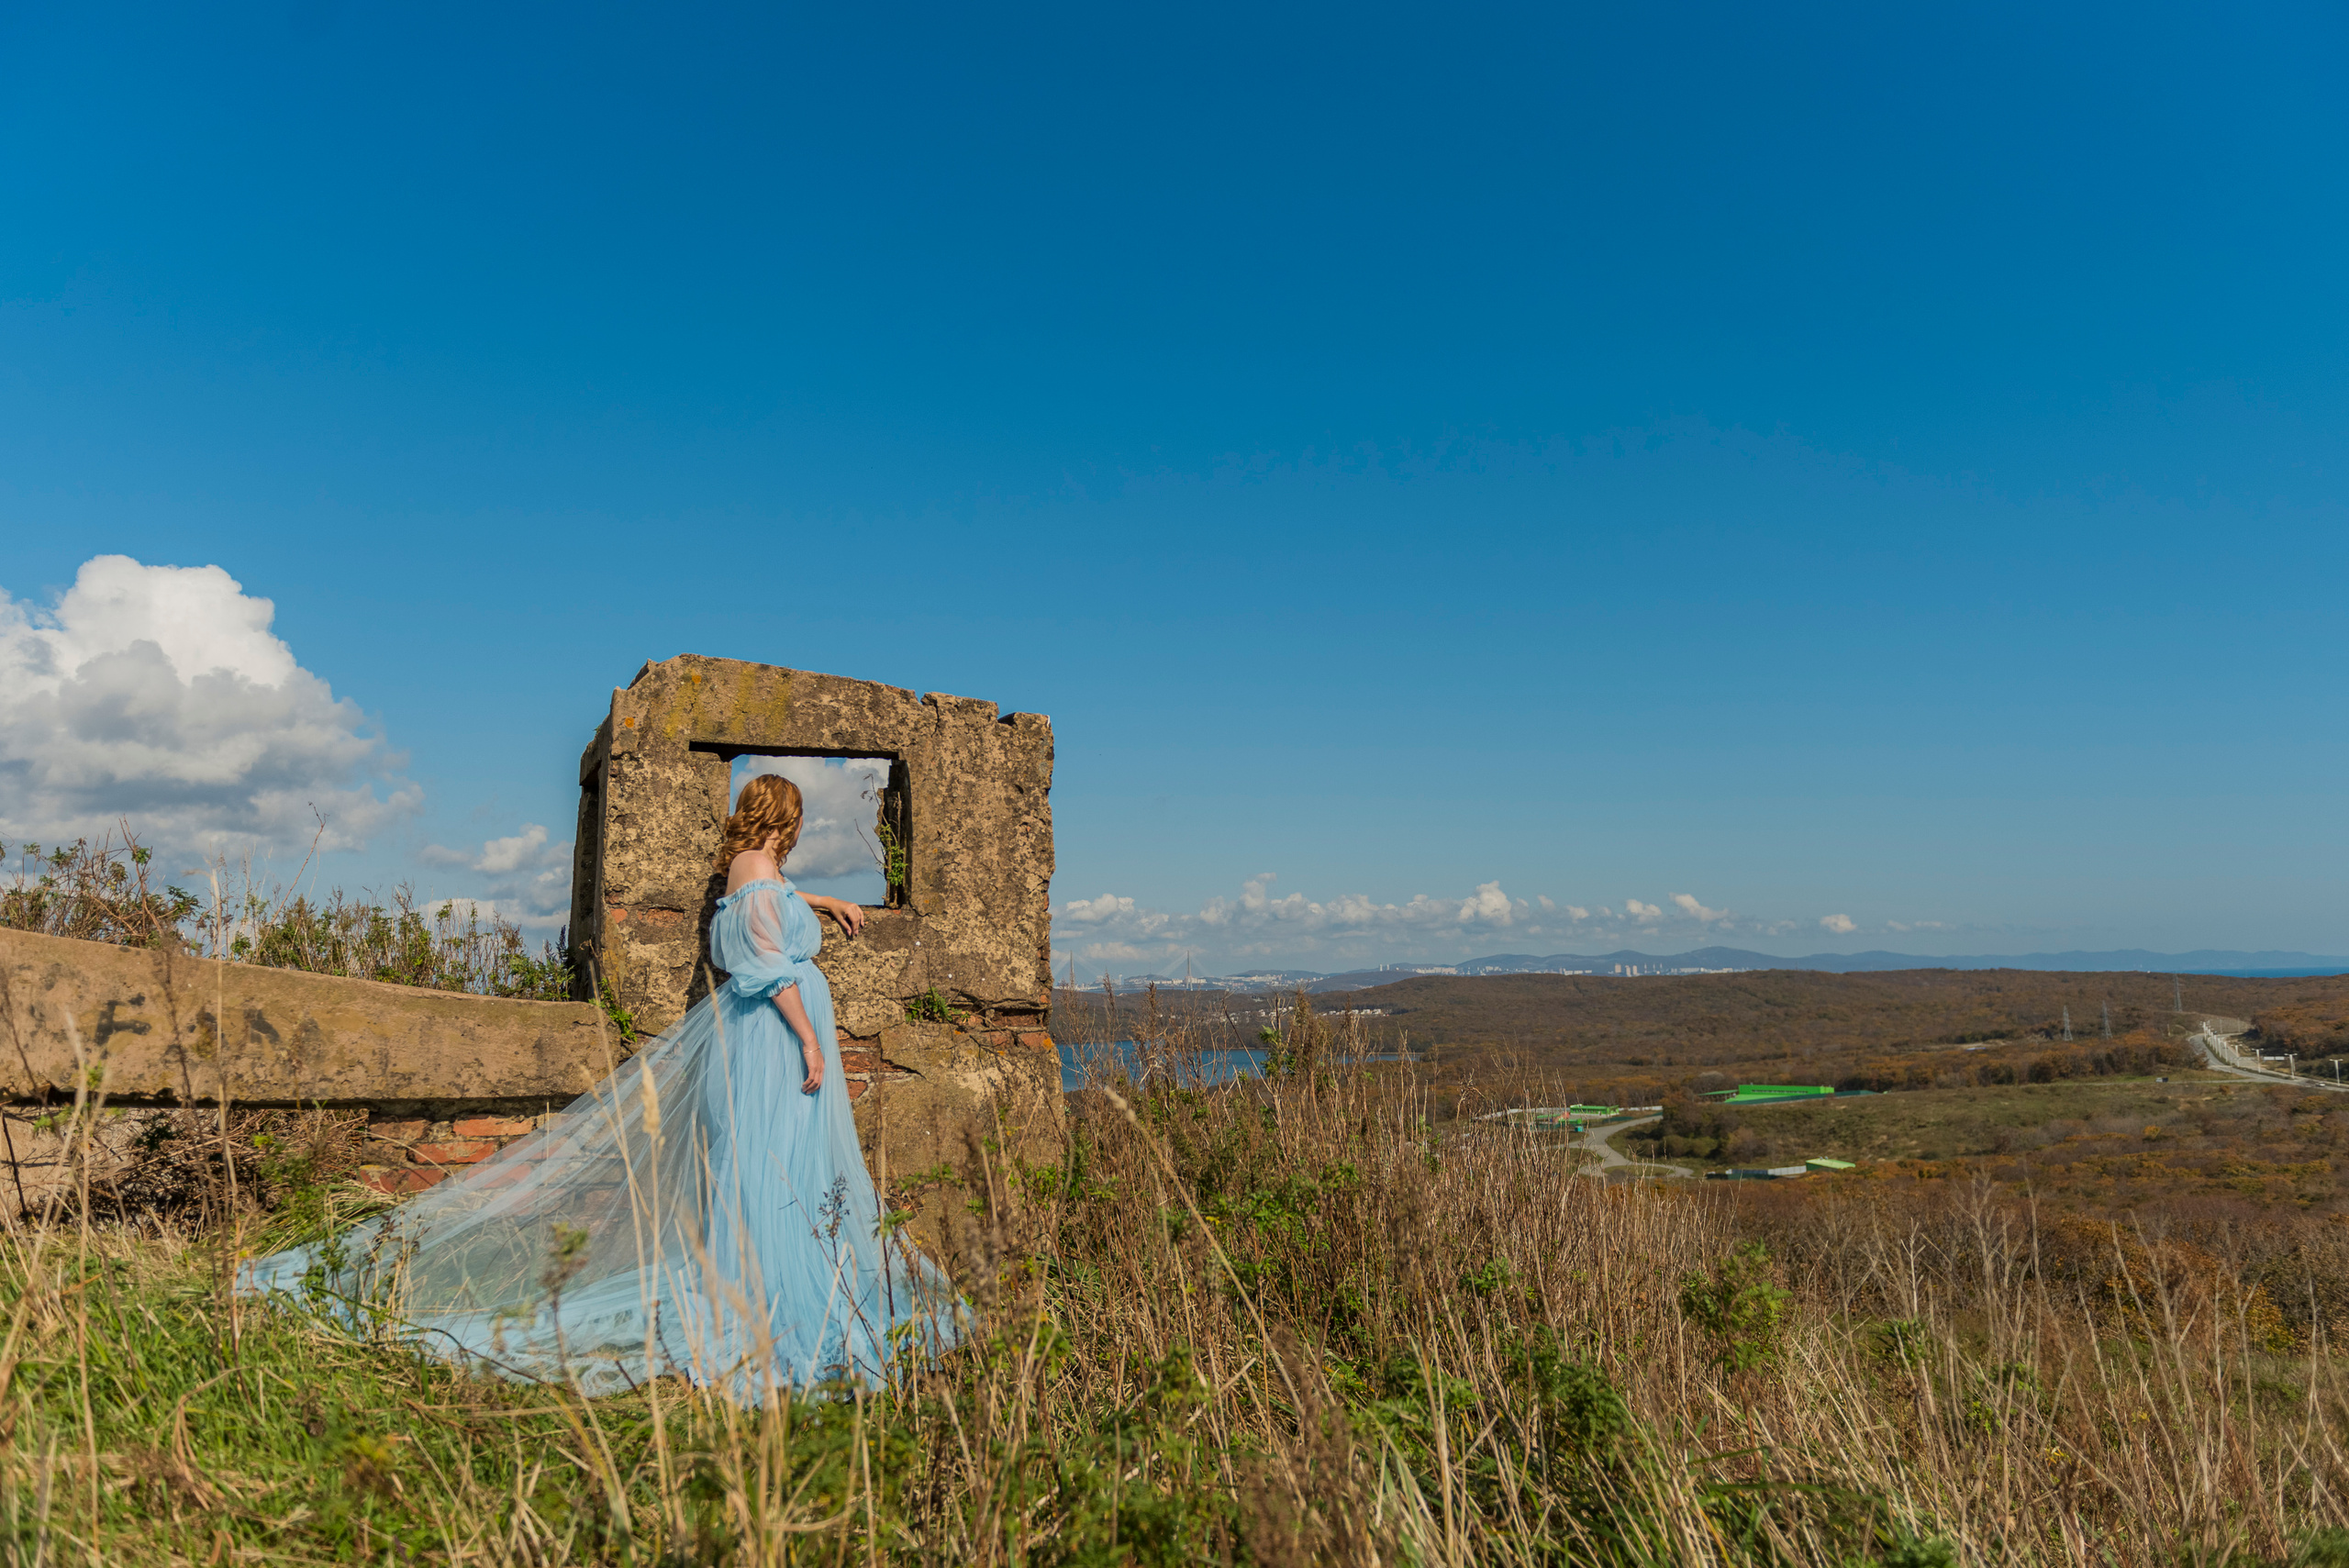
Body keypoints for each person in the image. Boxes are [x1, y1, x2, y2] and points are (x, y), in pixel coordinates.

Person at [239, 773, 958, 1403]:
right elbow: (767, 964)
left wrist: (827, 900)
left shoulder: (750, 869)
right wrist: (806, 1034)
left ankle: (762, 1282)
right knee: (778, 1164)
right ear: (785, 816)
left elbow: (776, 898)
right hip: (774, 1041)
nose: (800, 830)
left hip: (757, 1042)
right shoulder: (757, 873)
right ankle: (770, 1300)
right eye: (797, 818)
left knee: (771, 1166)